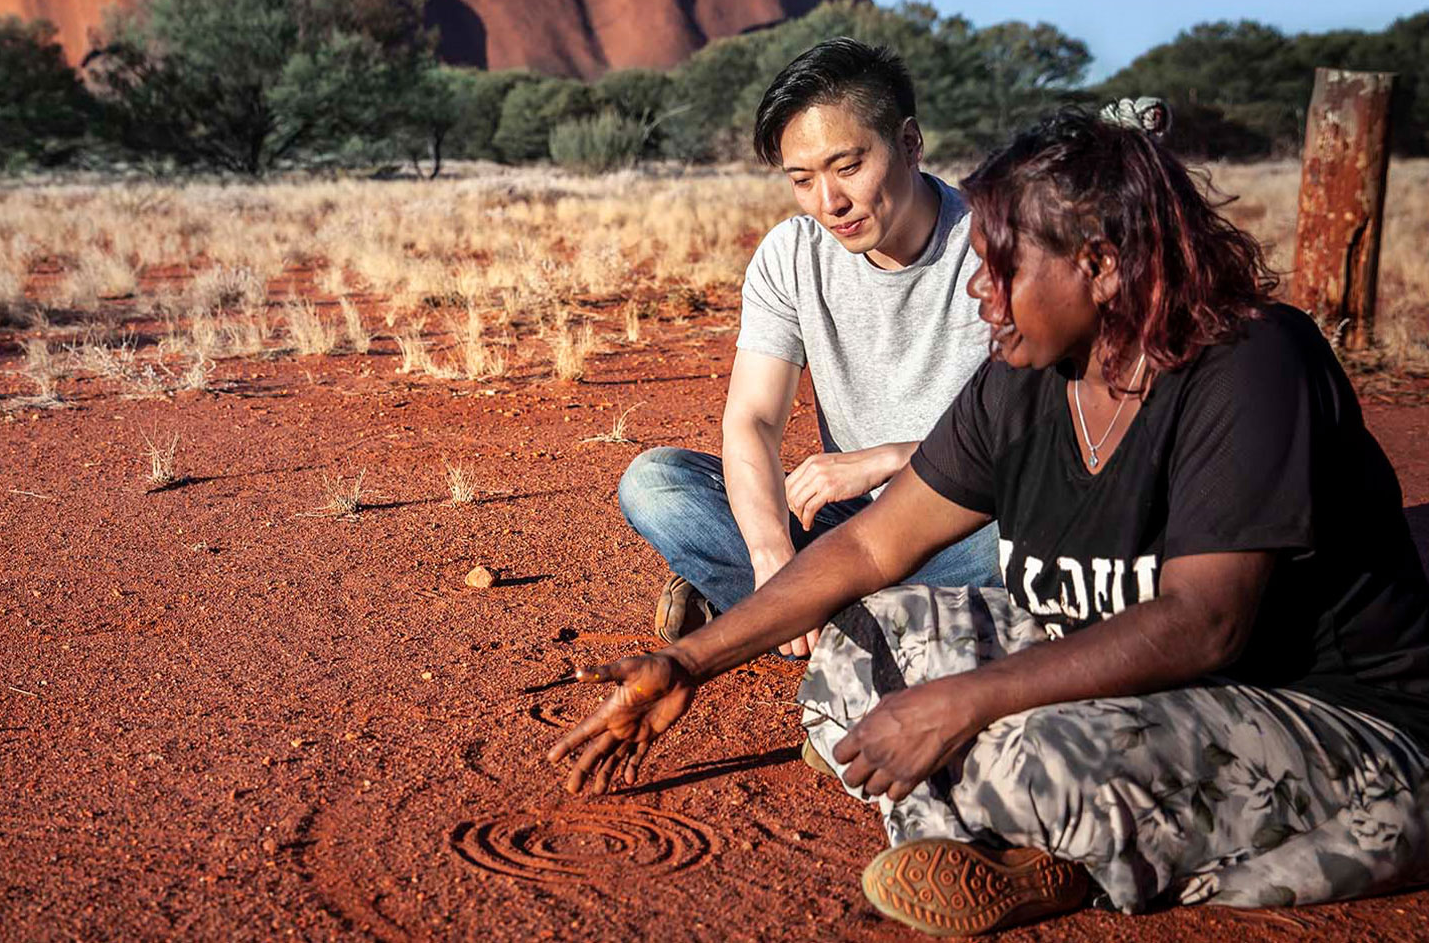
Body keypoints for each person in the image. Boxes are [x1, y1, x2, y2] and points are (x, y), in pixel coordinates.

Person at [547, 109, 1429, 935]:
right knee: (857, 639)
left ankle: (1045, 845)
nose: (980, 290)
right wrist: (687, 660)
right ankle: (1008, 843)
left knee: (1013, 746)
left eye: (1003, 265)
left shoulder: (1250, 361)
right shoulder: (1029, 376)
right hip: (1146, 686)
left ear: (1103, 264)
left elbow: (1205, 621)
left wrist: (957, 702)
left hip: (1337, 721)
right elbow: (869, 542)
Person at [618, 37, 999, 653]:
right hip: (848, 528)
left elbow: (1046, 437)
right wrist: (771, 556)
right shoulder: (792, 254)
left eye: (848, 167)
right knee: (656, 485)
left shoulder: (997, 245)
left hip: (963, 521)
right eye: (803, 179)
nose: (830, 203)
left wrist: (894, 457)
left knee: (1024, 538)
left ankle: (801, 614)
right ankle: (854, 617)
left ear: (908, 143)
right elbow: (754, 419)